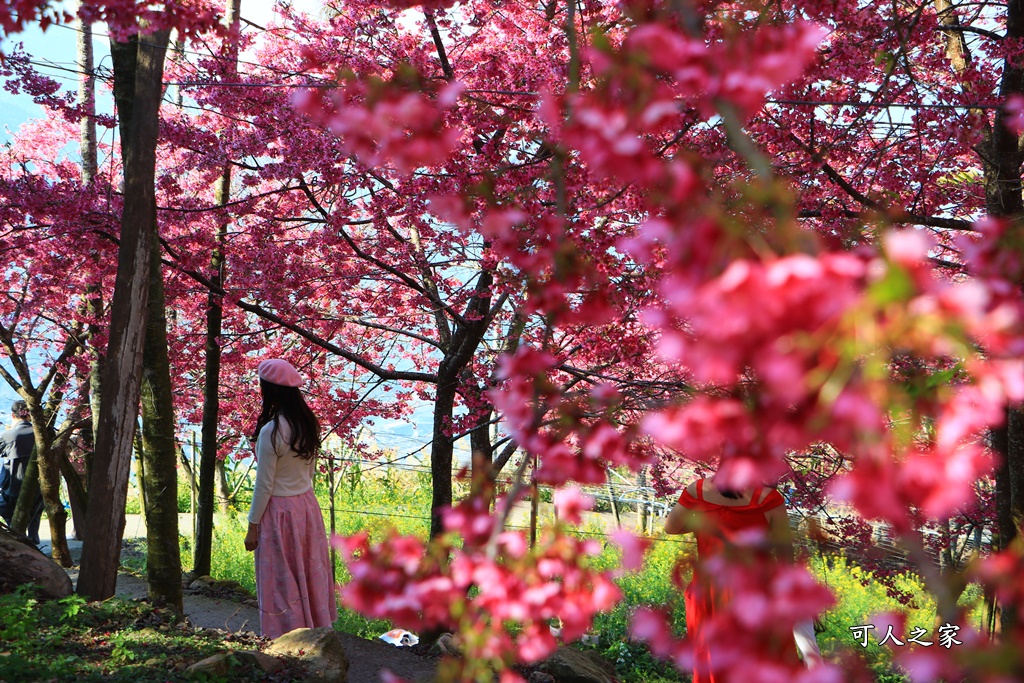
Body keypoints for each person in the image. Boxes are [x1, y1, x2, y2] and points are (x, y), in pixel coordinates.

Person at [664, 476, 822, 681]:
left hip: (710, 596)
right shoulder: (770, 501)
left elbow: (671, 527)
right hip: (754, 595)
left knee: (714, 662)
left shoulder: (698, 491)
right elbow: (785, 560)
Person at [244, 359, 337, 639]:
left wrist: (252, 526)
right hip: (306, 506)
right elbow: (309, 472)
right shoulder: (307, 423)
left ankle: (286, 637)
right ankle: (316, 631)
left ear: (269, 390)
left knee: (280, 578)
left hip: (279, 512)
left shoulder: (271, 431)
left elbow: (264, 485)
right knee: (308, 570)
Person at [0, 400, 44, 545]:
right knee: (35, 511)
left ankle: (17, 536)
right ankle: (33, 536)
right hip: (38, 485)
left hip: (13, 485)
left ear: (13, 415)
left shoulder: (8, 435)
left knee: (6, 508)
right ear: (30, 415)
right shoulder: (41, 433)